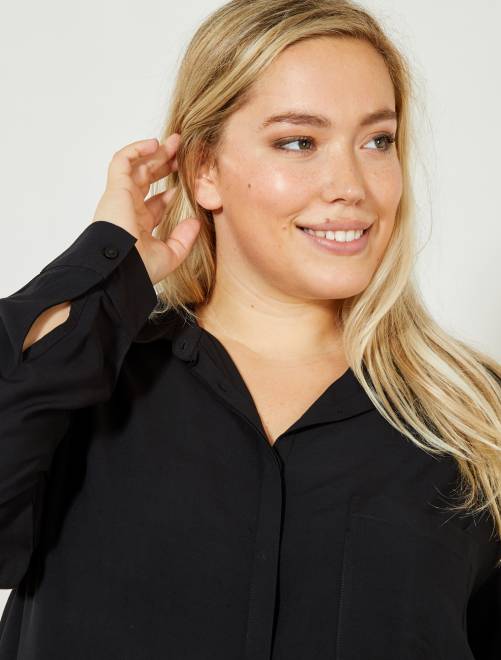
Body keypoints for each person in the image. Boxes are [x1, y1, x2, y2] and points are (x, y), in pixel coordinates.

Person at [1, 0, 500, 658]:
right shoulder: (83, 376)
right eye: (298, 142)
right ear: (203, 169)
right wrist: (102, 271)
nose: (351, 185)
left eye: (377, 141)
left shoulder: (475, 420)